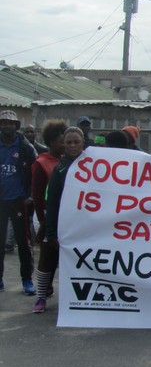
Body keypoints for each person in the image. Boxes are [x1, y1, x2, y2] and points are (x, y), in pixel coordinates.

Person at [31, 120, 67, 312]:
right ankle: (40, 297)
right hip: (46, 215)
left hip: (66, 216)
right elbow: (37, 197)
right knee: (46, 255)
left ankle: (49, 290)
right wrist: (44, 224)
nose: (67, 145)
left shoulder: (68, 162)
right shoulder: (41, 163)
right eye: (63, 141)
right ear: (52, 141)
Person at [0, 110, 36, 294]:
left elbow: (35, 170)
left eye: (10, 123)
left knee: (23, 242)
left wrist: (29, 195)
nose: (6, 126)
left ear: (16, 126)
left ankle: (27, 280)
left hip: (18, 200)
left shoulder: (24, 147)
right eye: (3, 122)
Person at [44, 127, 85, 255]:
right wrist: (51, 234)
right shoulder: (59, 170)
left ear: (83, 142)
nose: (72, 145)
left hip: (85, 229)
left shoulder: (95, 167)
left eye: (76, 142)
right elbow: (52, 202)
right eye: (68, 142)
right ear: (64, 144)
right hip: (65, 228)